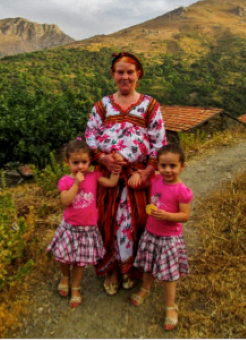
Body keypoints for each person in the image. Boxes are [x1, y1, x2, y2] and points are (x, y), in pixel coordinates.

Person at [85, 51, 167, 296]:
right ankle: (111, 269)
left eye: (129, 72)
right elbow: (90, 137)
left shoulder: (150, 106)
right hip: (106, 174)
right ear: (113, 75)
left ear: (138, 74)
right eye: (120, 72)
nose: (125, 77)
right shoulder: (102, 106)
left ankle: (130, 269)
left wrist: (148, 171)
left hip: (136, 174)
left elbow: (159, 142)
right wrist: (103, 158)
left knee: (134, 220)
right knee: (105, 219)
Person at [46, 138, 120, 307]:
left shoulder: (94, 176)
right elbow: (65, 200)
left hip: (88, 229)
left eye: (84, 162)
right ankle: (65, 276)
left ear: (90, 161)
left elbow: (111, 182)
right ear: (67, 162)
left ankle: (76, 286)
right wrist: (76, 184)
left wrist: (116, 168)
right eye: (75, 162)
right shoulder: (65, 180)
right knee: (62, 257)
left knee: (80, 261)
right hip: (70, 227)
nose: (80, 166)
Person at [131, 144, 193, 331]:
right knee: (148, 265)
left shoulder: (182, 190)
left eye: (172, 166)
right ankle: (145, 288)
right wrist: (136, 174)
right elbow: (142, 178)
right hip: (151, 233)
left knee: (168, 275)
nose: (167, 170)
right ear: (157, 166)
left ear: (182, 166)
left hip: (169, 238)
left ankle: (170, 306)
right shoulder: (156, 180)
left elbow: (185, 216)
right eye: (163, 165)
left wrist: (167, 216)